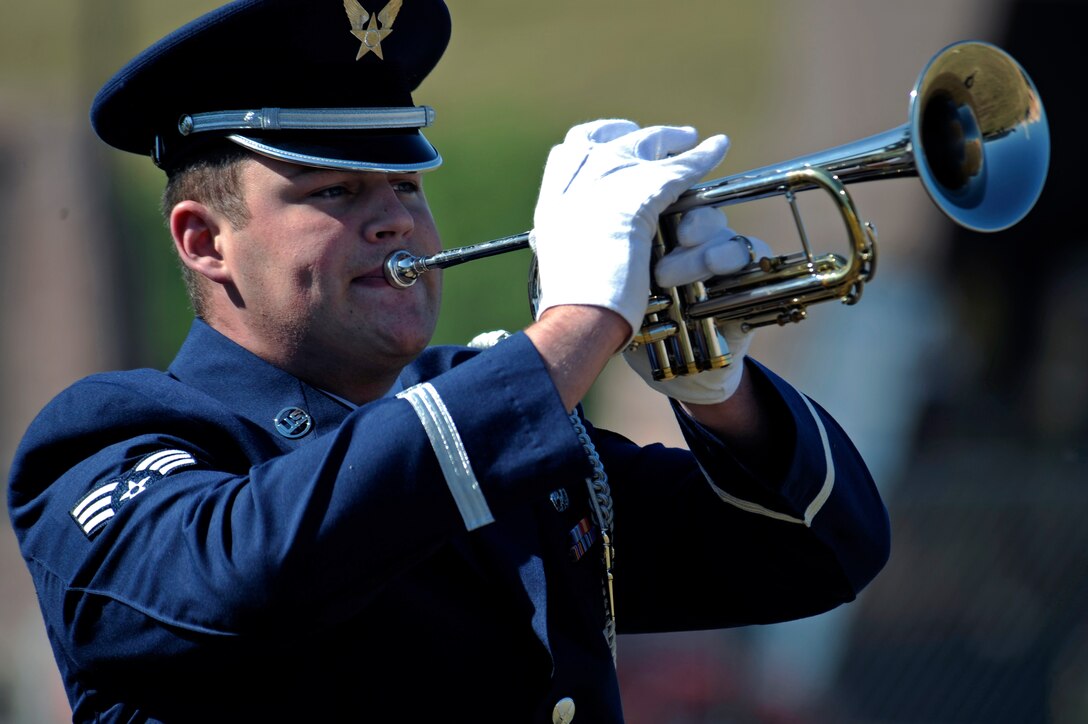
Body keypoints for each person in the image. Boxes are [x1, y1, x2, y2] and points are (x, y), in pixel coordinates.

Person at [7, 1, 890, 721]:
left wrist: (719, 391)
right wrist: (576, 331)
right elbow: (241, 583)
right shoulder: (112, 439)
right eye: (336, 192)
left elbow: (822, 557)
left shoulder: (479, 412)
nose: (395, 221)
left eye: (407, 186)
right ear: (205, 241)